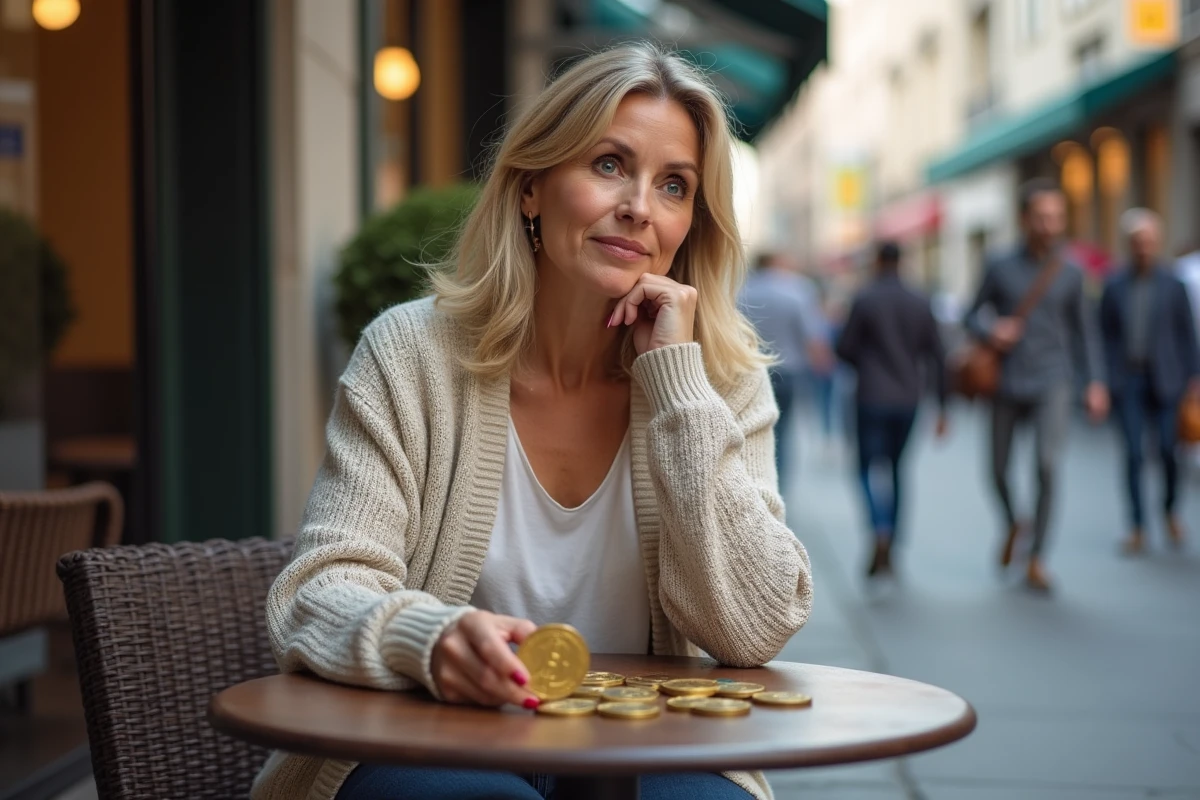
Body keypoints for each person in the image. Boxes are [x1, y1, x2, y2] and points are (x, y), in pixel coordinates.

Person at [253, 44, 813, 800]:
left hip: (646, 746)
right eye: (609, 165)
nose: (640, 207)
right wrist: (432, 638)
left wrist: (679, 390)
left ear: (691, 224)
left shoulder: (721, 381)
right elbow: (316, 592)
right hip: (430, 737)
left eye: (673, 185)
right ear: (531, 189)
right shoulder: (412, 354)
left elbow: (756, 627)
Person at [964, 178, 1108, 593]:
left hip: (1053, 378)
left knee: (1047, 465)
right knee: (996, 470)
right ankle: (1014, 523)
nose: (1050, 225)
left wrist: (1095, 382)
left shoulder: (1072, 270)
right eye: (1042, 217)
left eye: (1057, 217)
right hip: (1005, 379)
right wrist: (993, 329)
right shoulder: (998, 264)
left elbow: (1086, 332)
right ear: (1024, 218)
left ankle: (1038, 557)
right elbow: (971, 314)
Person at [835, 241, 948, 577]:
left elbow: (844, 348)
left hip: (870, 395)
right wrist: (943, 406)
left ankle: (879, 529)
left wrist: (866, 363)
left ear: (877, 261)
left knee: (865, 468)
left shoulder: (865, 298)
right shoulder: (920, 299)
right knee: (898, 469)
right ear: (902, 262)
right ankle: (894, 543)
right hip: (908, 398)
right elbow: (938, 355)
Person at [1099, 210, 1200, 553]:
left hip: (1168, 381)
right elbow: (1103, 335)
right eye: (1138, 242)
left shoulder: (1173, 283)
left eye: (1149, 241)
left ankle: (1170, 510)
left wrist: (1194, 380)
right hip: (1128, 380)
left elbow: (1188, 335)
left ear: (1157, 243)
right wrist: (1104, 379)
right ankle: (1138, 525)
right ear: (1129, 244)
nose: (1144, 247)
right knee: (1133, 453)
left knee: (1171, 451)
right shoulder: (1113, 285)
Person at [738, 251, 832, 492]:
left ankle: (753, 486)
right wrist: (821, 362)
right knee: (784, 432)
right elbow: (812, 336)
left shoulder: (743, 291)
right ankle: (777, 488)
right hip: (789, 371)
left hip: (749, 369)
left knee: (751, 430)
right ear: (778, 263)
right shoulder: (798, 290)